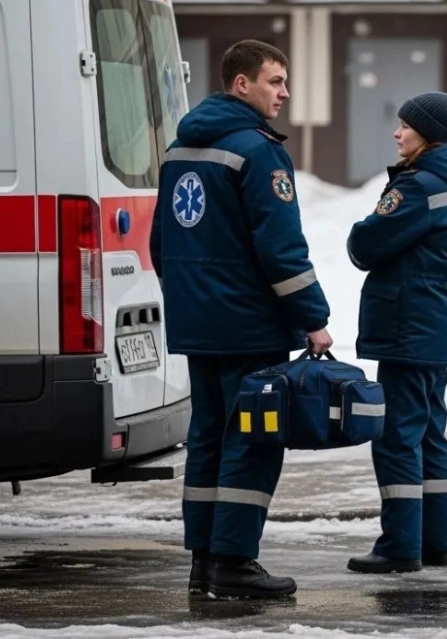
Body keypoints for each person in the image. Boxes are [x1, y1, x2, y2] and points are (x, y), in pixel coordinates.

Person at [150, 39, 333, 599]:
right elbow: (280, 248)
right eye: (274, 81)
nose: (284, 92)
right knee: (252, 441)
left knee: (208, 438)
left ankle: (204, 560)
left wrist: (192, 300)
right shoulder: (259, 152)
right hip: (248, 325)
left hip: (198, 327)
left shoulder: (181, 151)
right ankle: (234, 562)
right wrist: (314, 317)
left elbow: (161, 244)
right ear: (242, 84)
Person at [345, 91, 447, 574]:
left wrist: (363, 230)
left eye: (405, 126)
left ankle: (400, 545)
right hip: (437, 328)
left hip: (409, 325)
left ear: (428, 134)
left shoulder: (418, 186)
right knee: (428, 435)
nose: (396, 133)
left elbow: (365, 244)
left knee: (398, 436)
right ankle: (434, 542)